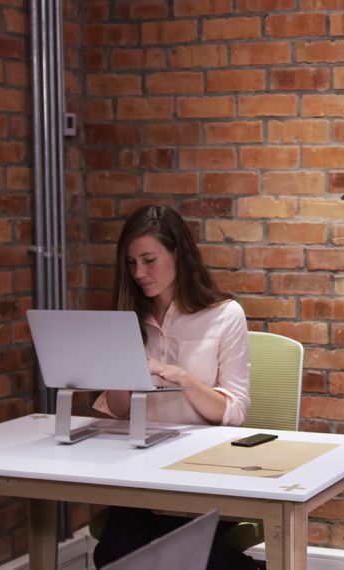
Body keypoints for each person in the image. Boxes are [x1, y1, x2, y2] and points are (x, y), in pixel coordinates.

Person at [91, 204, 255, 570]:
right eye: (131, 263)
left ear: (178, 253)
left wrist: (182, 378)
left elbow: (234, 410)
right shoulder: (130, 318)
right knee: (111, 555)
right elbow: (117, 410)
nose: (139, 273)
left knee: (176, 552)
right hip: (141, 469)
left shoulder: (224, 315)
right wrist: (117, 371)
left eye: (149, 260)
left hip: (204, 471)